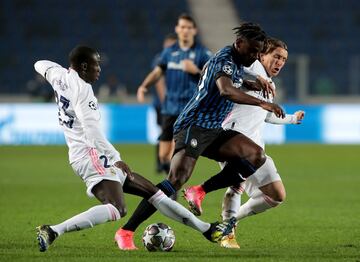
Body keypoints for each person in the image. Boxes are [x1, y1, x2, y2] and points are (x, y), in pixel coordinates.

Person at [33, 45, 236, 252]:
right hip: (91, 155)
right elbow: (92, 132)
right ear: (84, 66)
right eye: (96, 65)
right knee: (117, 208)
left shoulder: (58, 75)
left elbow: (40, 64)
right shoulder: (83, 91)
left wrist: (54, 71)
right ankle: (53, 230)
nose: (99, 70)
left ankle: (207, 230)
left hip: (86, 153)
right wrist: (115, 158)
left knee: (154, 193)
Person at [116, 22, 286, 250]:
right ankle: (126, 231)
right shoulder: (224, 59)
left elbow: (235, 81)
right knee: (175, 180)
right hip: (193, 125)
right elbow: (226, 89)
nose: (255, 56)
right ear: (239, 43)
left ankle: (200, 190)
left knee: (255, 155)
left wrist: (252, 83)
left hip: (214, 129)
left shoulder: (238, 61)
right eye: (252, 51)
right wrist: (262, 102)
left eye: (258, 52)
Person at [182, 37, 305, 248]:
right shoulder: (251, 66)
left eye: (283, 59)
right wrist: (252, 78)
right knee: (236, 186)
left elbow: (266, 114)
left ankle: (228, 223)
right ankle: (227, 233)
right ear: (261, 55)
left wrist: (292, 118)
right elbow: (221, 69)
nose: (280, 63)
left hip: (255, 147)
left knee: (276, 195)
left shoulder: (270, 84)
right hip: (232, 138)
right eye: (276, 56)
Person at [137, 13, 212, 176]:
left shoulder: (203, 53)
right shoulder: (169, 52)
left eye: (189, 28)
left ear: (194, 30)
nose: (185, 31)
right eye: (182, 27)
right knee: (163, 155)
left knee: (177, 151)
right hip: (169, 108)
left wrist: (197, 71)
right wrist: (144, 86)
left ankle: (172, 187)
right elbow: (157, 72)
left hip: (189, 111)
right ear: (177, 29)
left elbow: (213, 80)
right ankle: (171, 182)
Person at [150, 33, 178, 173]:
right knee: (167, 133)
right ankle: (163, 162)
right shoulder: (161, 58)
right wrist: (166, 103)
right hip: (165, 104)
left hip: (171, 103)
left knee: (167, 133)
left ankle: (162, 163)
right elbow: (159, 82)